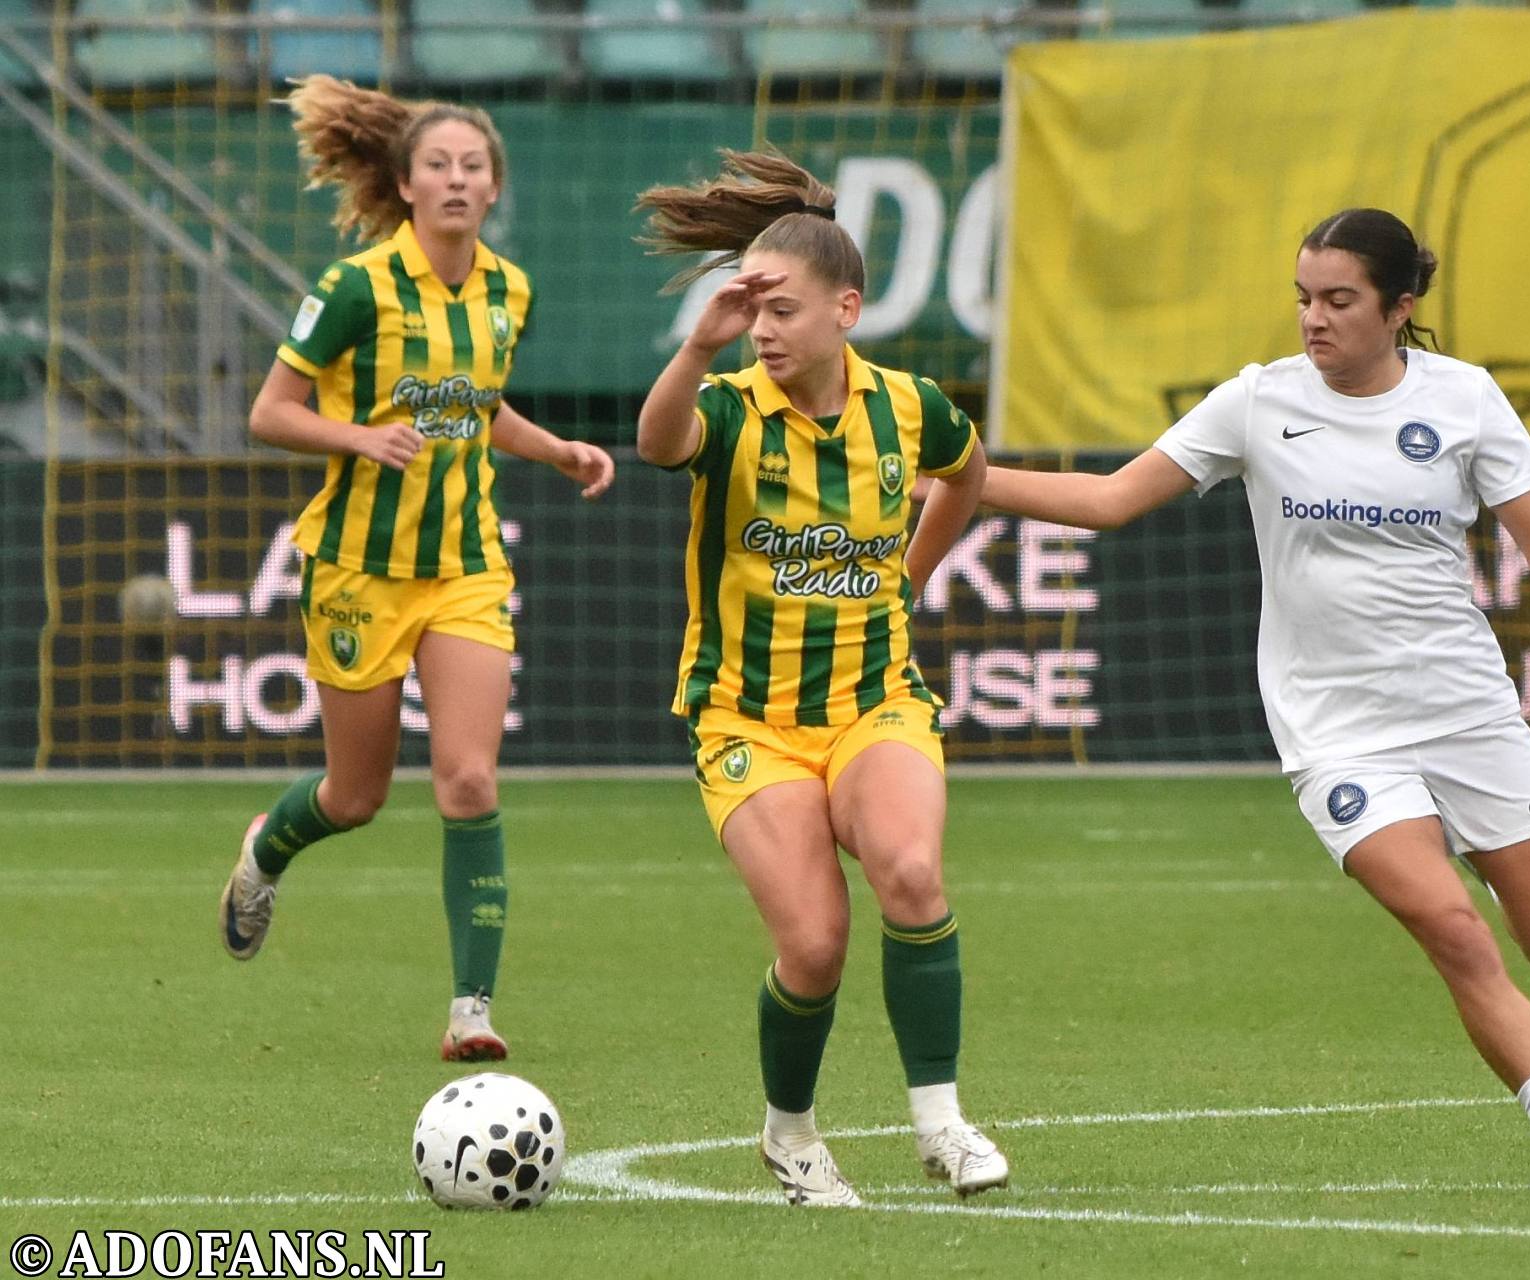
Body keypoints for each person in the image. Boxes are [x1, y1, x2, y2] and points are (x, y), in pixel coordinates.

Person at [977, 208, 1530, 1201]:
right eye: (1302, 297)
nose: (1313, 319)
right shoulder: (1257, 404)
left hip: (1467, 713)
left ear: (1400, 306)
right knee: (1455, 933)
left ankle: (1488, 853)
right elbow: (1110, 498)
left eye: (1339, 300)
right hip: (1338, 735)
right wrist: (959, 475)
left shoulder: (1464, 400)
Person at [634, 149, 1006, 1207]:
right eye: (750, 307)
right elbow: (661, 441)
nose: (763, 326)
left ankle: (940, 1122)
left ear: (847, 307)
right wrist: (692, 353)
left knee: (912, 873)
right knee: (812, 940)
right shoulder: (734, 408)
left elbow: (967, 468)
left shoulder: (908, 407)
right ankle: (790, 1133)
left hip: (874, 702)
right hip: (747, 719)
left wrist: (917, 570)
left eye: (782, 308)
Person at [218, 76, 614, 1063]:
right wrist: (358, 437)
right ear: (403, 183)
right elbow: (268, 413)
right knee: (355, 797)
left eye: (472, 166)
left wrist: (558, 448)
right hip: (359, 569)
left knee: (471, 778)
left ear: (492, 189)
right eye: (437, 164)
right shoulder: (353, 288)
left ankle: (471, 1008)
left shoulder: (507, 289)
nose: (455, 179)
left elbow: (479, 407)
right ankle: (267, 847)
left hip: (466, 567)